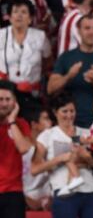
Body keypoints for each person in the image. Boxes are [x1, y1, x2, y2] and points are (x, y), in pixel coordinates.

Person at [31, 92, 93, 218]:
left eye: (72, 111)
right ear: (55, 112)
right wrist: (59, 159)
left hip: (89, 191)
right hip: (63, 191)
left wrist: (87, 158)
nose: (69, 115)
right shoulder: (47, 135)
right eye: (65, 111)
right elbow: (34, 169)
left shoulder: (87, 134)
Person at [48, 14, 93, 128]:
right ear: (78, 31)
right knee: (73, 145)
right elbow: (50, 88)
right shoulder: (66, 57)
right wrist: (68, 76)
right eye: (87, 28)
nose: (92, 32)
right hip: (70, 122)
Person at [0, 0, 52, 101]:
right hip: (5, 93)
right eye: (15, 12)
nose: (19, 15)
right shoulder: (1, 35)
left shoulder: (40, 36)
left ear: (30, 18)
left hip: (32, 93)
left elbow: (48, 62)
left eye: (23, 12)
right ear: (9, 17)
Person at [0, 80, 32, 218]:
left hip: (13, 192)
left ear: (15, 102)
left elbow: (24, 148)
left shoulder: (21, 124)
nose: (4, 103)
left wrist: (12, 121)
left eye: (8, 99)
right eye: (0, 99)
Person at [22, 106, 52, 210]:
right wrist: (27, 201)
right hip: (24, 200)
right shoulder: (22, 150)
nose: (50, 123)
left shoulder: (51, 147)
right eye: (46, 119)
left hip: (48, 199)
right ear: (34, 124)